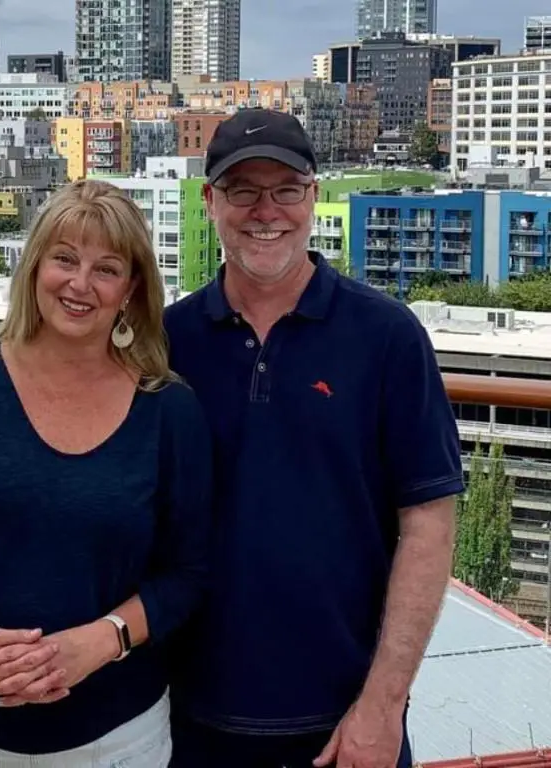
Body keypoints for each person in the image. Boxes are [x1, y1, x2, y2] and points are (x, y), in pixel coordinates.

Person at [0, 180, 213, 768]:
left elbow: (189, 572)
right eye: (64, 259)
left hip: (115, 740)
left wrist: (101, 641)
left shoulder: (169, 411)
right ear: (34, 268)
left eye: (106, 269)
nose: (80, 285)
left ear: (131, 290)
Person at [164, 108, 464, 768]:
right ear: (210, 201)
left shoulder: (386, 336)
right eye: (242, 190)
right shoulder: (167, 341)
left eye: (286, 189)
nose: (265, 210)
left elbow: (429, 528)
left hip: (346, 726)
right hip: (188, 719)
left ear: (314, 196)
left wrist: (383, 708)